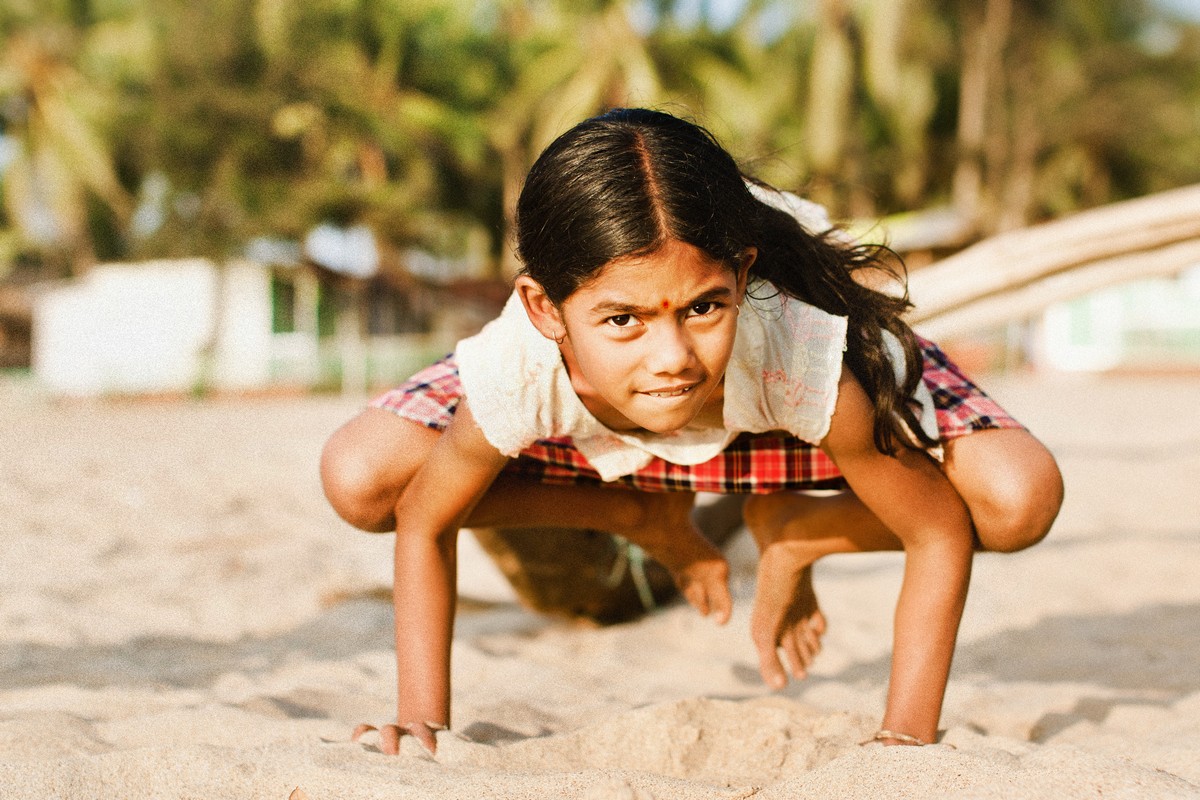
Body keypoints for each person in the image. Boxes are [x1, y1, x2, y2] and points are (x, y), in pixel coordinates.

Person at [320, 107, 1064, 755]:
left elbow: (936, 532)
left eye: (704, 308)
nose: (672, 358)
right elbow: (424, 520)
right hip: (635, 413)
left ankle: (798, 525)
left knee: (1018, 501)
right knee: (360, 483)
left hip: (778, 386)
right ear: (545, 310)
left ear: (741, 277)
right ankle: (634, 510)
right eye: (624, 321)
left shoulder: (800, 350)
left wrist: (905, 735)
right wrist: (420, 720)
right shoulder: (522, 367)